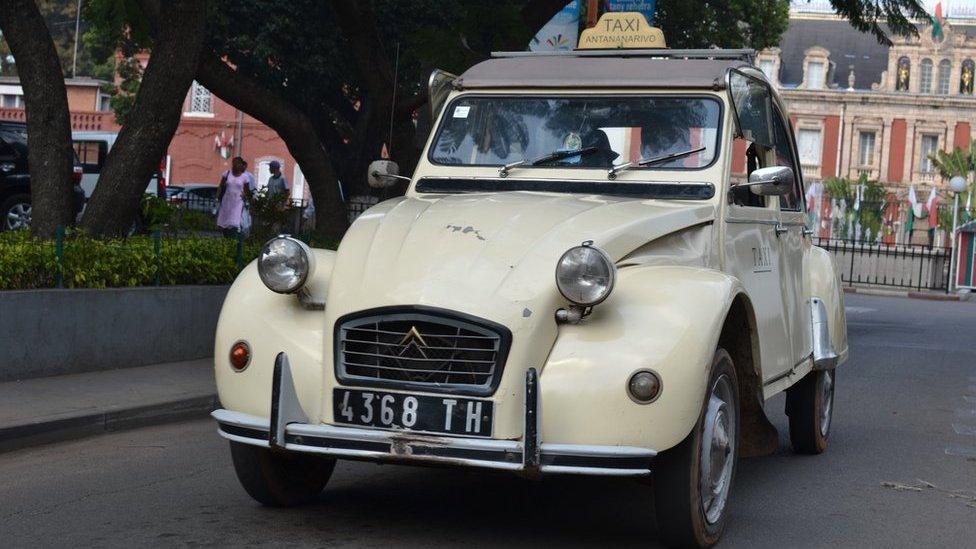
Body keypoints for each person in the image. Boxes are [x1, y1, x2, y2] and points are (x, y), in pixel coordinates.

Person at [216, 156, 254, 238]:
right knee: (225, 223)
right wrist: (217, 197)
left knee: (234, 223)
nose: (235, 165)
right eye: (234, 164)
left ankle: (234, 238)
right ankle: (226, 238)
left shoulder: (245, 177)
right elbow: (221, 186)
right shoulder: (227, 174)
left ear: (241, 165)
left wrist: (247, 199)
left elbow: (247, 191)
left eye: (237, 164)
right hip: (227, 201)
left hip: (237, 202)